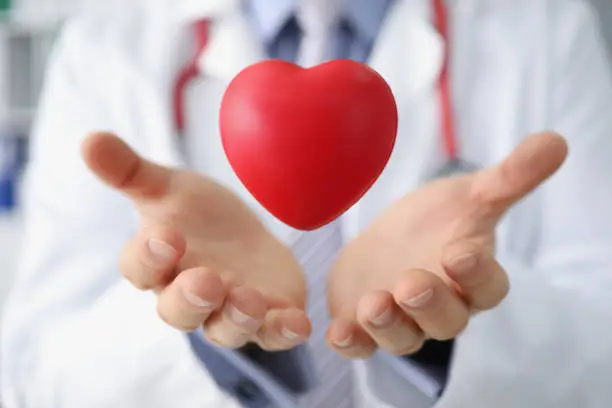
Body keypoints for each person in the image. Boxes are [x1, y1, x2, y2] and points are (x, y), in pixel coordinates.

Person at [2, 0, 612, 407]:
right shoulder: (109, 42)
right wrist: (188, 310)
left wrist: (451, 325)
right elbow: (37, 376)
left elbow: (601, 355)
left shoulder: (542, 24)